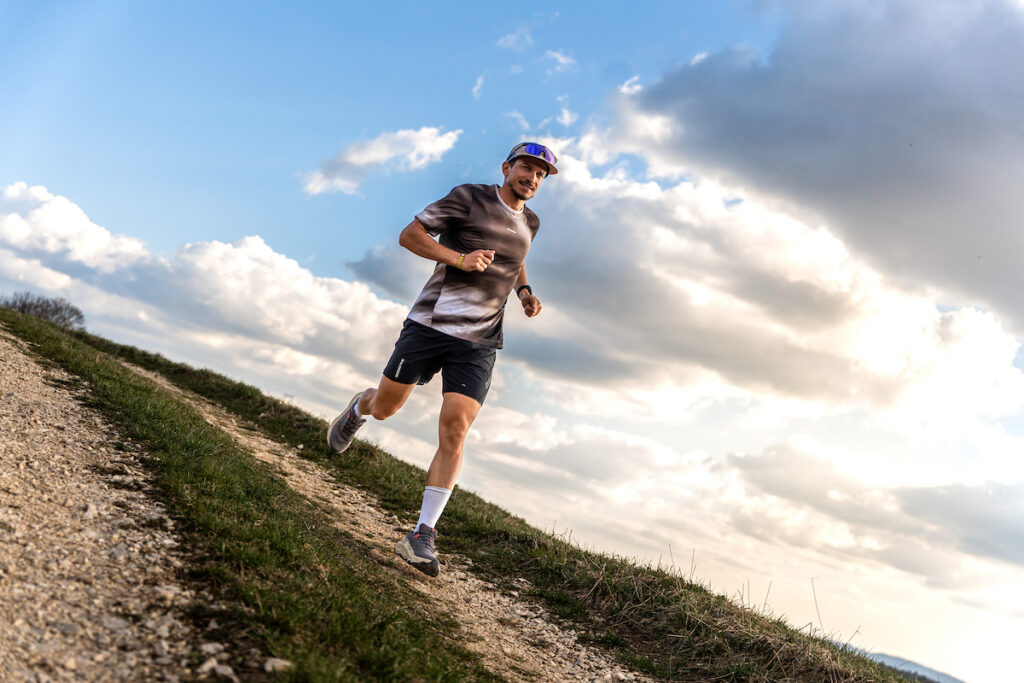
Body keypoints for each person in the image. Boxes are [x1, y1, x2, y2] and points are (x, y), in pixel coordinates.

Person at [327, 142, 558, 577]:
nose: (533, 178)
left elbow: (516, 260)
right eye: (526, 168)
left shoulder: (532, 221)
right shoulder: (469, 197)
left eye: (541, 174)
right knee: (386, 409)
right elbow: (409, 235)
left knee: (456, 425)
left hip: (481, 340)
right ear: (507, 168)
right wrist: (458, 258)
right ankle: (361, 406)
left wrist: (524, 293)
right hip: (431, 324)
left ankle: (422, 534)